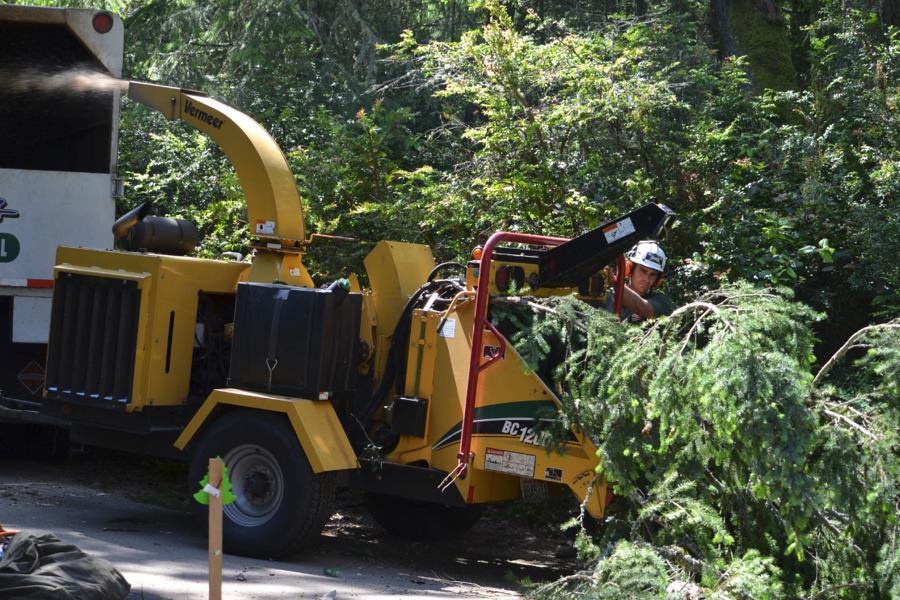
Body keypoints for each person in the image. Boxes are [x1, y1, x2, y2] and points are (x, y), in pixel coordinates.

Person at [606, 240, 674, 324]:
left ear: (658, 279)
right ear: (630, 269)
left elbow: (643, 309)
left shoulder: (663, 302)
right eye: (643, 271)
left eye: (653, 274)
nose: (647, 279)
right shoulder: (608, 297)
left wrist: (614, 282)